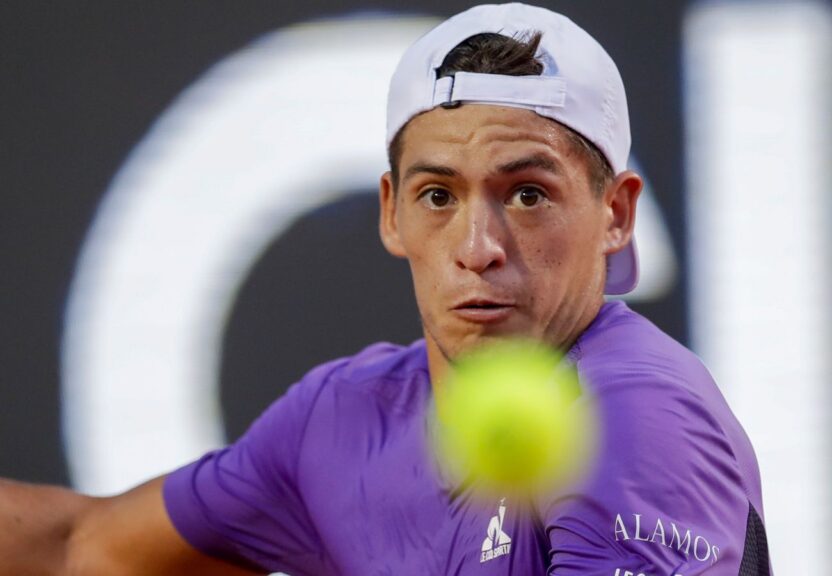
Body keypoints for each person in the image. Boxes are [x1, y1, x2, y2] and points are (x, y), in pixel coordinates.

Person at [0, 4, 771, 575]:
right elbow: (77, 547)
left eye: (528, 195)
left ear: (616, 212)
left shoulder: (637, 418)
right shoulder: (339, 420)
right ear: (391, 213)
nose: (478, 249)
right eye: (439, 195)